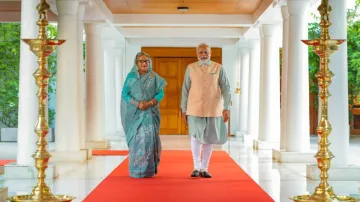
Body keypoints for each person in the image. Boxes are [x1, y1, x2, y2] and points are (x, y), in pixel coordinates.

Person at [181, 43, 231, 178]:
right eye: (201, 52)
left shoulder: (218, 68)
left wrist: (226, 107)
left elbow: (226, 88)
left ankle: (204, 167)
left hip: (213, 108)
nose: (203, 55)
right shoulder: (190, 68)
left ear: (210, 53)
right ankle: (196, 167)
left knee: (209, 138)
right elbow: (185, 89)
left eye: (206, 52)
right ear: (197, 53)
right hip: (194, 107)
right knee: (195, 136)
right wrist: (183, 108)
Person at [121, 52, 167, 178]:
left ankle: (148, 170)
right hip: (136, 114)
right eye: (141, 61)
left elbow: (161, 93)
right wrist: (138, 104)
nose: (144, 63)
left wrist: (150, 103)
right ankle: (136, 169)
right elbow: (125, 94)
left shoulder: (154, 77)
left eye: (146, 61)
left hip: (150, 114)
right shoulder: (131, 77)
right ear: (136, 63)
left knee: (149, 140)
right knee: (136, 141)